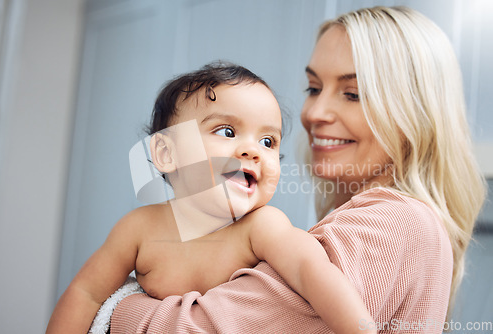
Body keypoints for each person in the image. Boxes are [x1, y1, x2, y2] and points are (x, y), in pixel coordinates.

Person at [107, 6, 487, 334]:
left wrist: (115, 305)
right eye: (313, 87)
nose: (314, 114)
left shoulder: (390, 223)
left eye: (352, 94)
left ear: (413, 116)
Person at [46, 62, 376, 334]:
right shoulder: (138, 229)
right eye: (227, 132)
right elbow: (86, 294)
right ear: (166, 153)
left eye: (268, 141)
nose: (252, 151)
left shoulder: (261, 227)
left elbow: (312, 271)